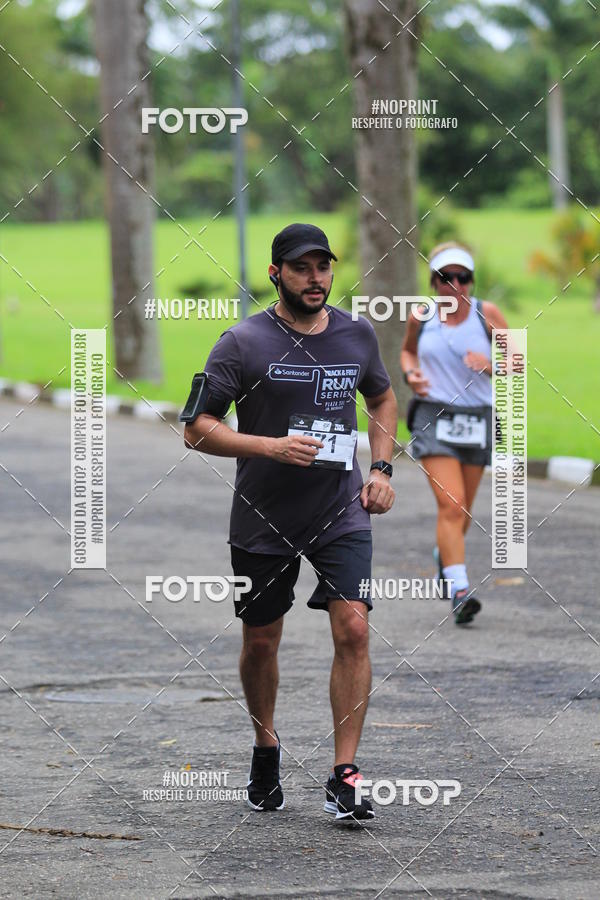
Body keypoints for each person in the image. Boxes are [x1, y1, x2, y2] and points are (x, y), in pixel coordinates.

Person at [183, 223, 397, 821]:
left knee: (353, 629)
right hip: (263, 515)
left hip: (340, 510)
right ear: (276, 273)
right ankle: (265, 743)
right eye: (301, 268)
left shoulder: (356, 334)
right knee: (260, 641)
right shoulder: (242, 342)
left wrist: (380, 467)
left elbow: (381, 398)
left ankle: (344, 773)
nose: (315, 278)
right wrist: (269, 447)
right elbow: (198, 427)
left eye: (323, 266)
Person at [400, 241, 508, 625]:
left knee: (463, 512)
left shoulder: (486, 315)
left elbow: (518, 363)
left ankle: (444, 555)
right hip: (434, 417)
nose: (455, 285)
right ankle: (460, 590)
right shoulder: (421, 316)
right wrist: (411, 374)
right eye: (447, 278)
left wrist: (490, 363)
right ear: (434, 282)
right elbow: (408, 352)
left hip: (478, 418)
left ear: (472, 282)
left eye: (463, 278)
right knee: (453, 505)